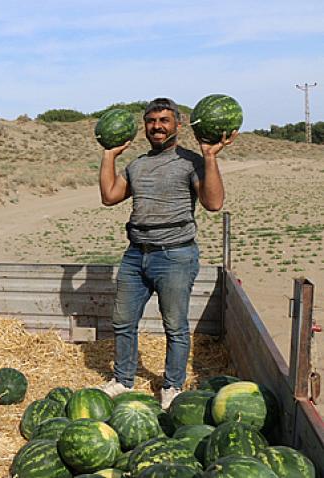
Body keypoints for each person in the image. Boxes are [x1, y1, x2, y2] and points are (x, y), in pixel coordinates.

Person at [98, 98, 237, 409]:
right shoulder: (137, 165)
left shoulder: (191, 162)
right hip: (136, 255)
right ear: (144, 126)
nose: (157, 126)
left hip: (175, 256)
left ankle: (172, 385)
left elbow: (213, 203)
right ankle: (122, 379)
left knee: (174, 326)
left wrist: (210, 157)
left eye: (164, 120)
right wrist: (109, 155)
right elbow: (109, 196)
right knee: (122, 321)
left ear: (179, 123)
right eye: (151, 121)